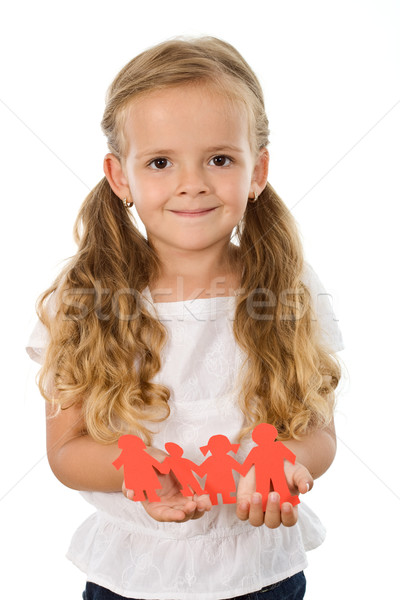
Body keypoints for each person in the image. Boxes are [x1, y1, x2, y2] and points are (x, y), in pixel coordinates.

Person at [26, 36, 344, 600]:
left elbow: (317, 430)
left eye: (219, 159)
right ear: (120, 176)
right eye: (160, 162)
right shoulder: (83, 298)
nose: (191, 182)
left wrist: (280, 466)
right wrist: (135, 470)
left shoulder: (287, 288)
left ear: (257, 170)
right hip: (132, 574)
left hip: (260, 572)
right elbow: (66, 450)